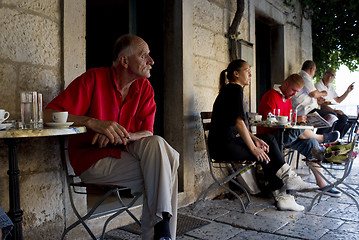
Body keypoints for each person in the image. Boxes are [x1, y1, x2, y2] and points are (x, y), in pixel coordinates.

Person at [44, 34, 179, 240]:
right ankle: (164, 231)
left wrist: (120, 135)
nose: (151, 61)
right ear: (124, 61)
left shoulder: (144, 88)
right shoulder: (93, 79)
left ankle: (162, 231)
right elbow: (47, 115)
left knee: (158, 145)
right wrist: (92, 122)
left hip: (129, 154)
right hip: (93, 161)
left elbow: (147, 133)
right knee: (168, 165)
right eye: (144, 56)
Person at [208, 59, 317, 212]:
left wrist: (256, 139)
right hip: (222, 147)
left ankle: (288, 183)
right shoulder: (234, 90)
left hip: (227, 143)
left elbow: (240, 125)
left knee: (268, 140)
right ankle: (285, 190)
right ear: (236, 73)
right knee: (266, 149)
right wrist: (253, 148)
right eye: (247, 70)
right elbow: (239, 124)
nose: (251, 74)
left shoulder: (231, 89)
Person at [258, 74, 341, 197]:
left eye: (297, 92)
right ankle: (322, 138)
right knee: (301, 128)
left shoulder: (287, 98)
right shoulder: (271, 95)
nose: (295, 94)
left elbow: (288, 121)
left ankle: (322, 185)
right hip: (271, 138)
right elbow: (270, 122)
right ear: (285, 84)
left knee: (311, 143)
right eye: (293, 90)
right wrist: (296, 121)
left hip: (285, 137)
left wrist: (296, 120)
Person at [291, 60, 340, 134]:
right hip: (305, 109)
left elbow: (308, 94)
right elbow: (313, 94)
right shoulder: (305, 76)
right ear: (312, 69)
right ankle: (321, 138)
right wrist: (323, 93)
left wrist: (317, 101)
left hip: (307, 108)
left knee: (332, 116)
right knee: (332, 116)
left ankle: (320, 138)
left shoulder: (304, 76)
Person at [315, 68, 354, 137]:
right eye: (328, 75)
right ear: (324, 75)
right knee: (333, 116)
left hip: (327, 108)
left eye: (332, 76)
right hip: (319, 108)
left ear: (333, 78)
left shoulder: (330, 86)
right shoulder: (318, 85)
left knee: (344, 118)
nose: (329, 77)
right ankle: (326, 137)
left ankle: (337, 137)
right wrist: (334, 111)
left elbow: (338, 100)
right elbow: (322, 105)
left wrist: (347, 91)